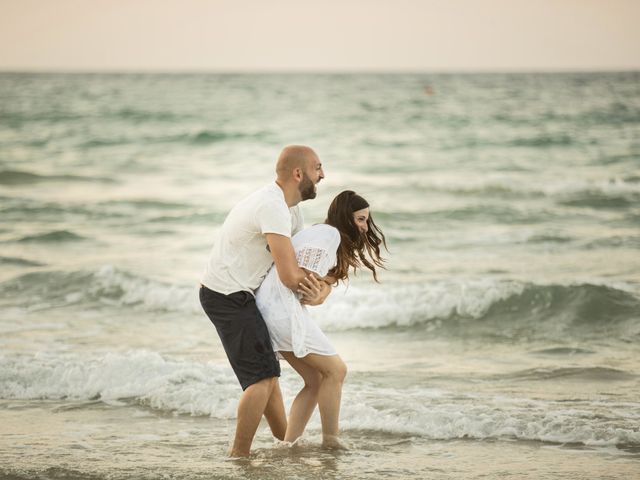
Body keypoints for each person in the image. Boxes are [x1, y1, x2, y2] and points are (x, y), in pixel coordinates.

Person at [199, 145, 331, 457]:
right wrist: (317, 290)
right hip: (226, 295)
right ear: (298, 173)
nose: (323, 175)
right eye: (318, 168)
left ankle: (284, 442)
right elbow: (289, 275)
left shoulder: (290, 209)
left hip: (244, 294)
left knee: (268, 373)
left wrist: (321, 289)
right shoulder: (272, 206)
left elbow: (300, 269)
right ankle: (239, 455)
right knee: (262, 378)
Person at [255, 190, 387, 448]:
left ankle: (289, 444)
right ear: (344, 216)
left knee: (316, 381)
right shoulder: (330, 234)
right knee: (336, 370)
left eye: (366, 221)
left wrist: (320, 292)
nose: (364, 227)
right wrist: (315, 290)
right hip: (281, 309)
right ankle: (331, 441)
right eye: (360, 219)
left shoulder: (323, 233)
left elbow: (314, 281)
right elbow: (301, 277)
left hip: (271, 308)